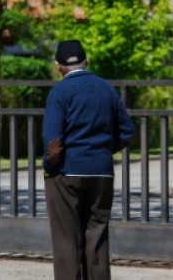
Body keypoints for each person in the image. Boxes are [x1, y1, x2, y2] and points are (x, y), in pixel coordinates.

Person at [42, 39, 135, 280]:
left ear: (57, 66)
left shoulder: (59, 93)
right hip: (102, 173)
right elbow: (128, 133)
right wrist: (104, 150)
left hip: (67, 173)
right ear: (87, 61)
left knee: (66, 242)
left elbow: (53, 146)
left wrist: (49, 167)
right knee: (97, 237)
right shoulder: (107, 89)